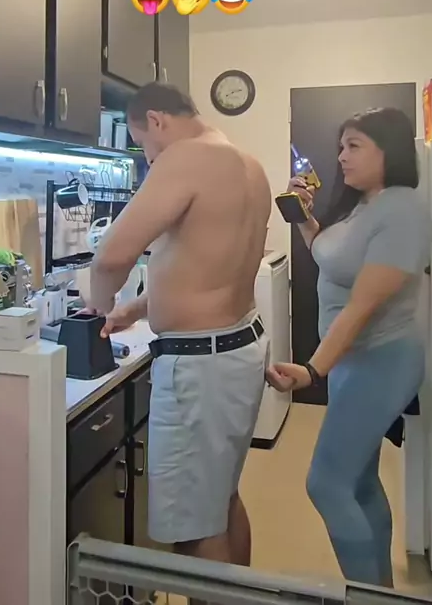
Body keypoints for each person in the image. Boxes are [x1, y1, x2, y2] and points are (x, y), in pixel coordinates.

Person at [87, 82, 271, 568]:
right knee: (221, 499)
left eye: (143, 143)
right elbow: (210, 266)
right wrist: (136, 308)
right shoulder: (247, 165)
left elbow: (111, 256)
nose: (148, 157)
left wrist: (99, 304)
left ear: (157, 120)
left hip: (200, 367)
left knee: (194, 527)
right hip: (236, 348)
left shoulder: (185, 157)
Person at [267, 107, 432, 588]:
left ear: (389, 150)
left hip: (380, 360)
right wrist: (304, 219)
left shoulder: (402, 211)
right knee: (358, 479)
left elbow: (362, 306)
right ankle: (380, 590)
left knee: (326, 483)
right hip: (350, 361)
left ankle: (368, 596)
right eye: (341, 146)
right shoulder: (363, 205)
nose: (341, 156)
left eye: (354, 145)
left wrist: (312, 370)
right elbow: (332, 257)